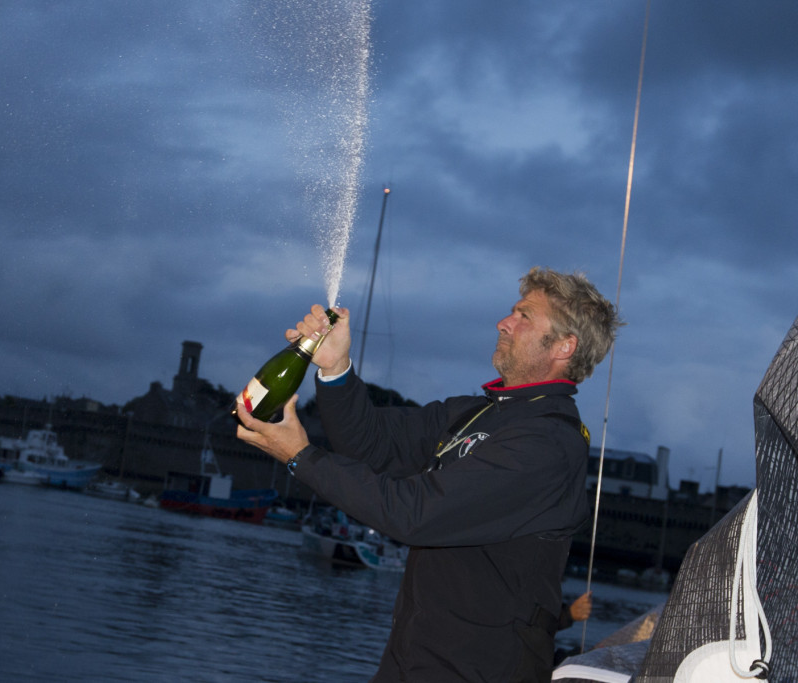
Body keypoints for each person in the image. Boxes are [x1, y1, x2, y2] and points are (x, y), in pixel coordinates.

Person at [236, 267, 622, 682]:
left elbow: (414, 514)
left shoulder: (549, 444)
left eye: (524, 316)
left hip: (480, 671)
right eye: (512, 311)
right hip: (411, 660)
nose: (504, 322)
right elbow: (370, 443)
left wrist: (301, 456)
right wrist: (335, 368)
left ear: (565, 346)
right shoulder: (471, 413)